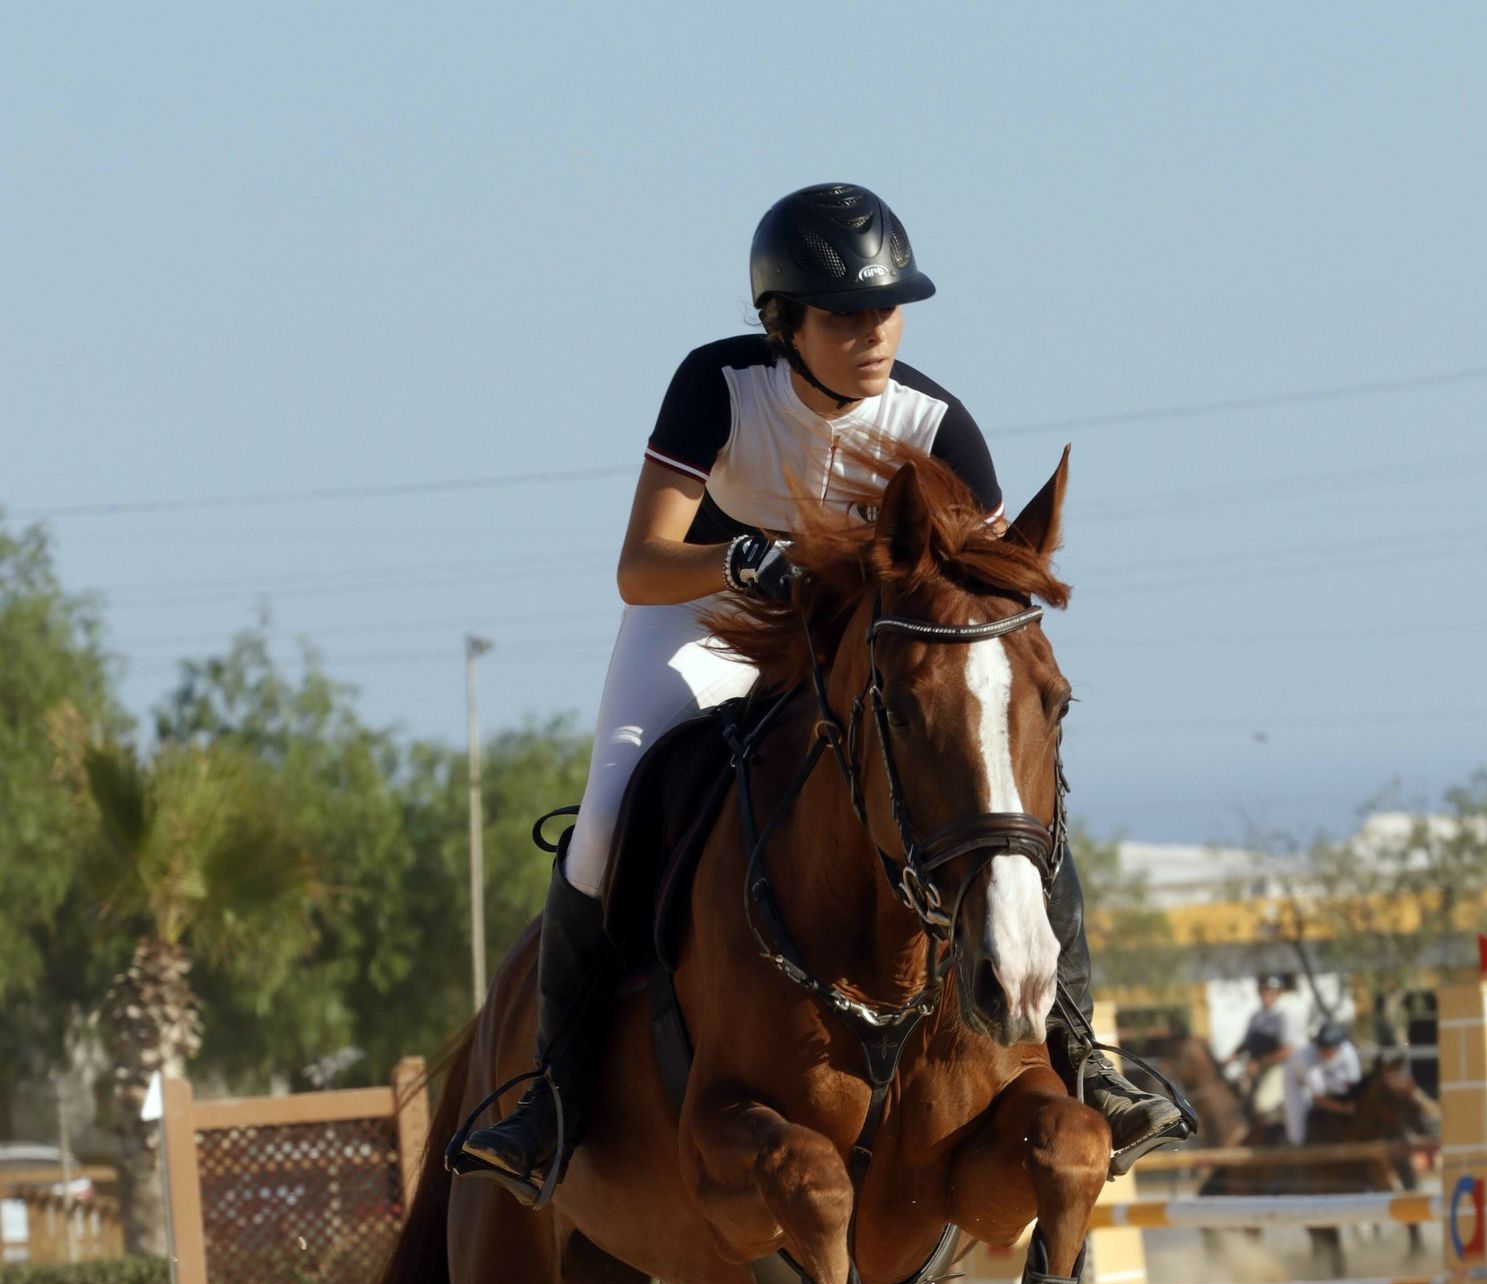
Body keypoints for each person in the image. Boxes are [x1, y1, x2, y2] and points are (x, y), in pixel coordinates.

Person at [451, 182, 1190, 1201]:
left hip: (841, 648)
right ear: (782, 323)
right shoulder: (718, 385)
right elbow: (640, 564)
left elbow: (963, 601)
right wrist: (739, 559)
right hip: (700, 622)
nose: (872, 334)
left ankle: (1083, 1057)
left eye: (886, 311)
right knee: (605, 818)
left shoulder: (938, 422)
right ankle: (553, 1099)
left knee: (1010, 808)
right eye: (843, 317)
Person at [1226, 972, 1300, 1119]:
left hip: (1279, 1068)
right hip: (1255, 1068)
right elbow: (1247, 1043)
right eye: (1263, 990)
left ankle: (1279, 1132)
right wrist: (1231, 1057)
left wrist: (1260, 1063)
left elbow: (1288, 1051)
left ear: (1279, 993)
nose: (1265, 994)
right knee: (1237, 1099)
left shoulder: (1285, 1015)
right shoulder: (1256, 1016)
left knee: (1262, 1104)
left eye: (1270, 991)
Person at [1283, 1017, 1364, 1145]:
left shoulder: (1348, 1052)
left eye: (1329, 1050)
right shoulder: (1305, 1056)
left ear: (1338, 1047)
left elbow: (1353, 1084)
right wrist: (1343, 1109)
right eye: (1322, 1048)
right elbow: (1318, 1098)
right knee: (1297, 1131)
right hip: (1297, 1080)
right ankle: (1295, 1152)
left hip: (1327, 1076)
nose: (1325, 1053)